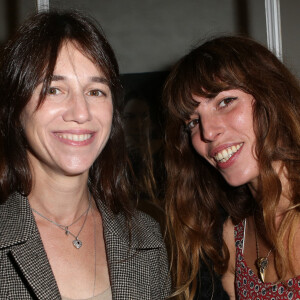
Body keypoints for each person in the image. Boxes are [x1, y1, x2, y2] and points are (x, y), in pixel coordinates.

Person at [0, 11, 170, 299]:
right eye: (54, 89)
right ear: (16, 109)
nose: (81, 113)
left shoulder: (146, 237)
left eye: (95, 91)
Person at [164, 35, 300, 299]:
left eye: (225, 102)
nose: (208, 132)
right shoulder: (233, 237)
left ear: (272, 94)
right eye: (192, 122)